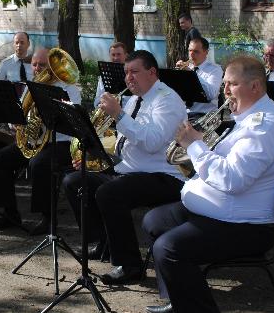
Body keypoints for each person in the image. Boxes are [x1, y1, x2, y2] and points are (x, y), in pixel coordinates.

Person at [142, 55, 274, 313]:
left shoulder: (263, 128)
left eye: (232, 84)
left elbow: (233, 180)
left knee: (169, 249)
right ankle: (180, 299)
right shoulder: (246, 118)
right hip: (222, 212)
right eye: (224, 84)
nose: (225, 91)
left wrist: (195, 145)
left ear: (255, 86)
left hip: (246, 225)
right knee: (154, 222)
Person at [61, 50, 188, 283]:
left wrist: (119, 115)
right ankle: (104, 243)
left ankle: (129, 265)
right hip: (129, 168)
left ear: (152, 73)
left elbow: (151, 143)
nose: (128, 78)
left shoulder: (166, 100)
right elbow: (121, 142)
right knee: (74, 181)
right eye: (126, 72)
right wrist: (93, 149)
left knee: (110, 193)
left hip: (163, 175)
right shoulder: (133, 100)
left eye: (134, 72)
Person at [0, 47, 82, 233]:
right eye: (34, 64)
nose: (37, 68)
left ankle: (48, 219)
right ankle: (8, 213)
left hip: (62, 143)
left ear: (53, 67)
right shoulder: (30, 86)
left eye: (42, 64)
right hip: (35, 141)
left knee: (39, 164)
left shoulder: (69, 89)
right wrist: (16, 124)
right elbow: (20, 115)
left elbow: (74, 124)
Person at [175, 37, 222, 117]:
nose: (191, 54)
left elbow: (211, 94)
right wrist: (176, 75)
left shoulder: (215, 69)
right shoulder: (186, 67)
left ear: (206, 52)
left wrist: (191, 74)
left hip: (204, 114)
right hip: (184, 113)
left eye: (196, 51)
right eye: (190, 50)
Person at [93, 41, 129, 107]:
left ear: (126, 55)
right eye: (113, 55)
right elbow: (97, 101)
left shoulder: (131, 75)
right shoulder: (104, 75)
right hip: (108, 112)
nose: (116, 58)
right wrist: (101, 104)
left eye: (119, 54)